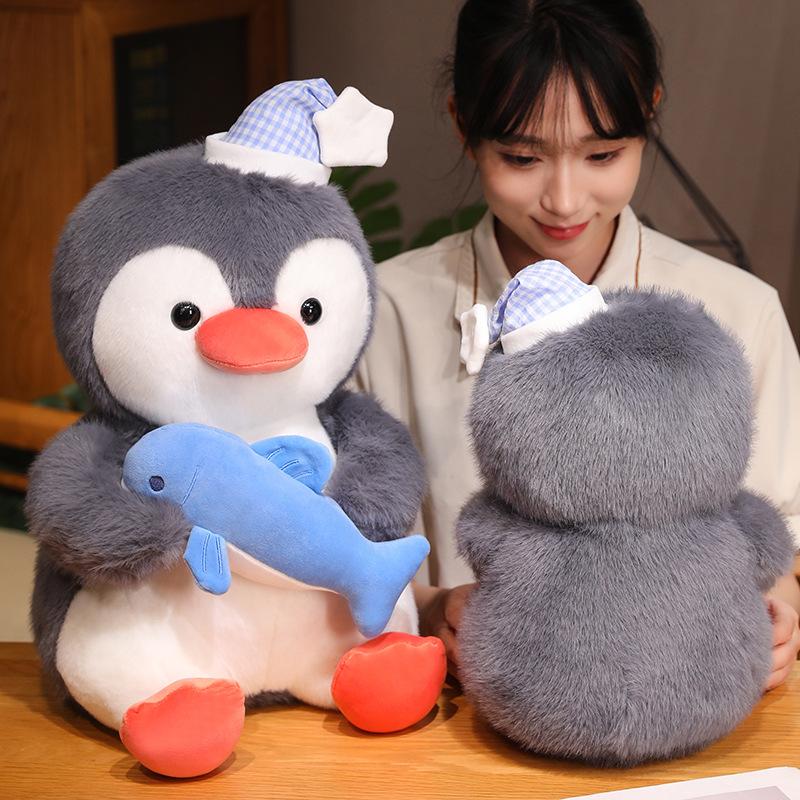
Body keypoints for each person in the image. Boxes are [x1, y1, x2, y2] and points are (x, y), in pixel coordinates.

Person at [356, 0, 800, 691]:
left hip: (689, 700)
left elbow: (782, 538)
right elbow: (334, 553)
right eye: (522, 157)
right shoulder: (382, 314)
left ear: (647, 114)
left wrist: (780, 616)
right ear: (464, 126)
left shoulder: (741, 312)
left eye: (602, 155)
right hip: (454, 717)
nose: (564, 200)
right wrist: (431, 609)